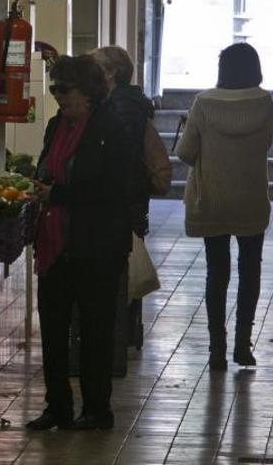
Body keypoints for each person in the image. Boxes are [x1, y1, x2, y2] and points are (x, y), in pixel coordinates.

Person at [27, 54, 132, 432]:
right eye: (53, 88)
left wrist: (58, 194)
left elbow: (112, 189)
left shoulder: (110, 128)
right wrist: (39, 185)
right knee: (53, 330)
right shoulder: (56, 125)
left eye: (64, 89)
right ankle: (57, 406)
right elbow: (46, 167)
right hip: (56, 244)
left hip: (97, 247)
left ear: (87, 90)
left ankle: (96, 409)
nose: (58, 96)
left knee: (94, 331)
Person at [175, 42, 273, 371]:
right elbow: (266, 145)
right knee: (250, 271)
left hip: (211, 199)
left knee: (217, 273)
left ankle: (216, 348)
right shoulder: (265, 102)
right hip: (250, 199)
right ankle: (243, 345)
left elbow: (186, 153)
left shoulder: (203, 104)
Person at [91, 46, 155, 347]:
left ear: (111, 73)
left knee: (123, 261)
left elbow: (120, 155)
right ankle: (127, 330)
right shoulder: (129, 102)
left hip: (125, 196)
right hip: (132, 195)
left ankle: (121, 331)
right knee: (128, 259)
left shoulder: (121, 107)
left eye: (95, 68)